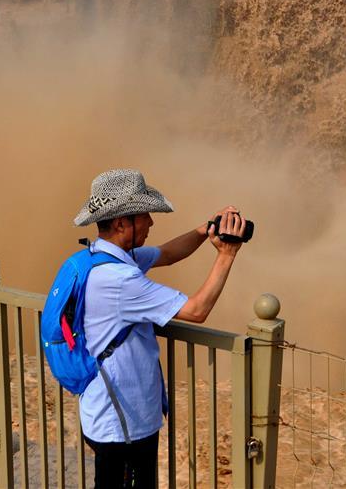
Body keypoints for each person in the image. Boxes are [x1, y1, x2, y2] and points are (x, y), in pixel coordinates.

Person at [72, 168, 246, 489]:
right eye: (145, 215)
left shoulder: (103, 258)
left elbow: (167, 253)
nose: (151, 222)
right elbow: (196, 310)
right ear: (123, 222)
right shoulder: (120, 280)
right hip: (123, 424)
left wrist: (206, 229)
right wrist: (227, 254)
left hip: (104, 408)